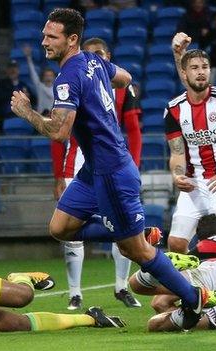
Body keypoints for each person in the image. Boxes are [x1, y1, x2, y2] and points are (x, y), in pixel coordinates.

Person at [9, 8, 211, 330]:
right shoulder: (93, 61)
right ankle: (131, 228)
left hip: (113, 171)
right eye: (44, 34)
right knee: (60, 228)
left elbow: (59, 132)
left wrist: (27, 112)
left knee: (138, 251)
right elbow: (126, 78)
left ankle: (192, 296)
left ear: (72, 39)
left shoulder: (68, 76)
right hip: (95, 169)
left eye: (51, 36)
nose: (44, 41)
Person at [51, 37, 145, 310]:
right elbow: (57, 134)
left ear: (108, 57)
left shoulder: (123, 89)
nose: (93, 60)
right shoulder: (69, 80)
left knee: (121, 223)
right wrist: (59, 174)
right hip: (77, 162)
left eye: (99, 55)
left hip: (110, 161)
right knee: (68, 229)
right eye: (90, 54)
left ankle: (121, 286)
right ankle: (75, 292)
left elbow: (134, 130)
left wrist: (134, 164)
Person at [166, 33, 216, 254]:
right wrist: (177, 176)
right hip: (195, 184)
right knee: (176, 244)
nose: (201, 72)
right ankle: (193, 287)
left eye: (205, 67)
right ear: (184, 74)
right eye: (195, 68)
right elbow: (177, 152)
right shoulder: (175, 110)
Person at [128, 251, 216, 332]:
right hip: (210, 279)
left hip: (210, 267)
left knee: (137, 286)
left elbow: (159, 304)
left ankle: (161, 266)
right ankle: (201, 303)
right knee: (155, 324)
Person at [0, 61, 33, 126]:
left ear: (18, 70)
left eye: (15, 68)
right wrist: (13, 93)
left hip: (21, 118)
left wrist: (28, 96)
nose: (13, 70)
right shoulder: (0, 84)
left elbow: (33, 99)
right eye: (11, 68)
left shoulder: (23, 85)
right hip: (3, 118)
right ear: (7, 71)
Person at [23, 45, 56, 115]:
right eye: (46, 76)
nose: (48, 77)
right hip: (41, 117)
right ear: (43, 77)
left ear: (54, 77)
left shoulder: (57, 89)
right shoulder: (40, 87)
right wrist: (28, 57)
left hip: (53, 118)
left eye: (50, 76)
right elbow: (33, 73)